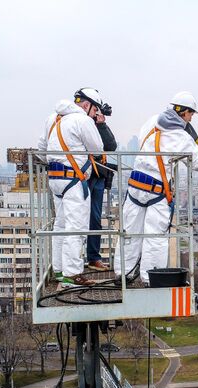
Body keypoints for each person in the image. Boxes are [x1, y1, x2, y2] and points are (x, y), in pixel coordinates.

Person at [113, 92, 198, 285]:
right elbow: (197, 163)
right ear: (184, 112)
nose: (191, 118)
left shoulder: (152, 122)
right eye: (191, 115)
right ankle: (149, 278)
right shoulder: (180, 136)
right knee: (155, 236)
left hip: (135, 185)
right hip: (157, 190)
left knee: (130, 232)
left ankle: (124, 272)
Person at [37, 88, 105, 287]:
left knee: (61, 225)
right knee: (76, 228)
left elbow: (42, 150)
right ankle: (73, 274)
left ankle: (59, 270)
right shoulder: (82, 120)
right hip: (74, 180)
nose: (95, 115)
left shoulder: (53, 119)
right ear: (87, 105)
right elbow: (98, 148)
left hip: (56, 179)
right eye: (95, 111)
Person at [86, 110, 118, 271]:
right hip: (82, 174)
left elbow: (111, 146)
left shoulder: (96, 124)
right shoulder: (78, 122)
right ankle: (71, 263)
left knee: (95, 218)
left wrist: (101, 125)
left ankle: (93, 257)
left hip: (97, 174)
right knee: (74, 219)